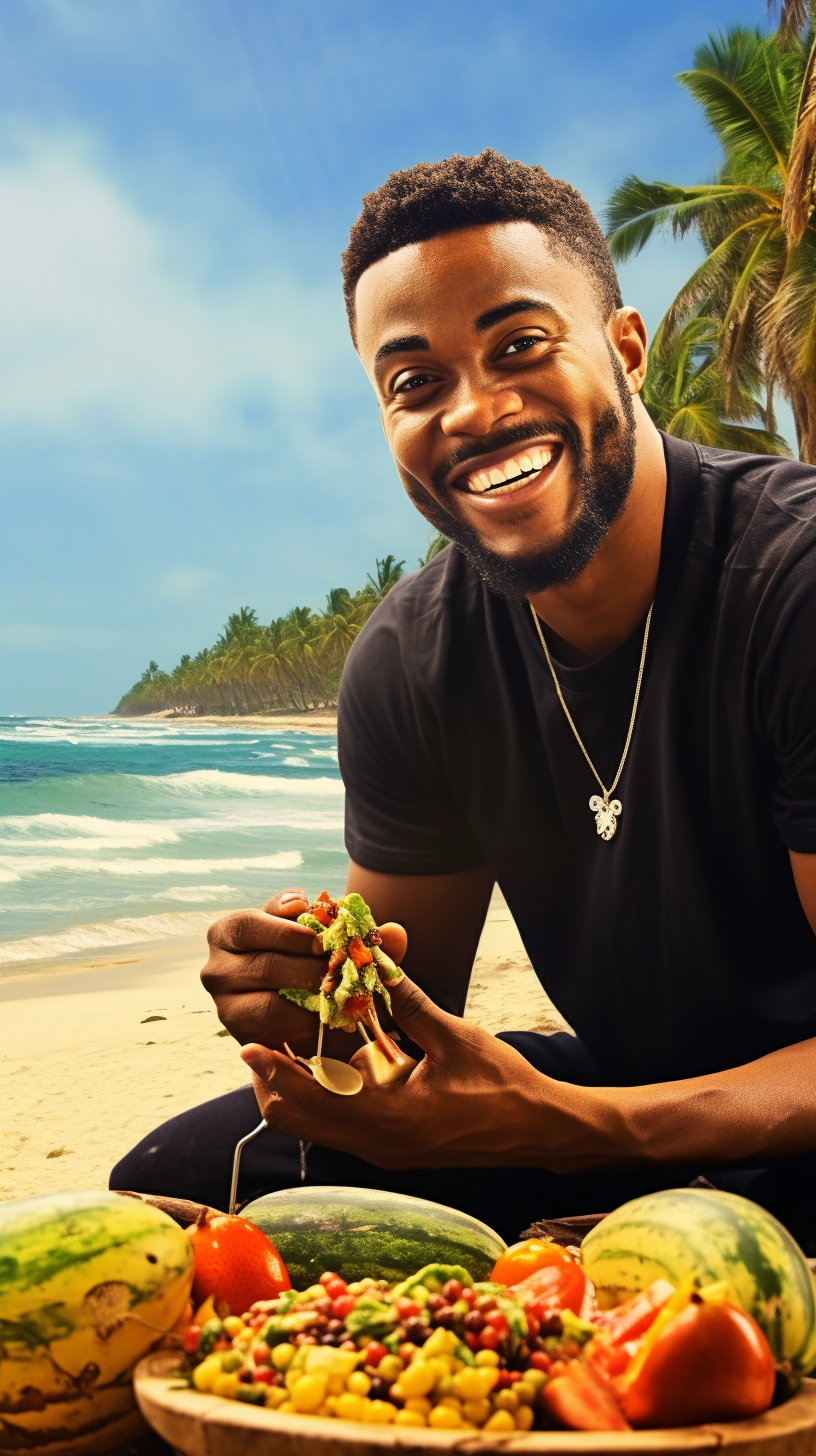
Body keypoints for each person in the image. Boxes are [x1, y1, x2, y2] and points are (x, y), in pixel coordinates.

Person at [111, 151, 816, 1252]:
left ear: (625, 350)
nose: (476, 410)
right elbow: (400, 1030)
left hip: (788, 1116)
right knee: (182, 1182)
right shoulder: (409, 661)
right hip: (627, 1093)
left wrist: (579, 1128)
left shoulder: (792, 582)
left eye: (519, 347)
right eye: (415, 383)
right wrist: (313, 989)